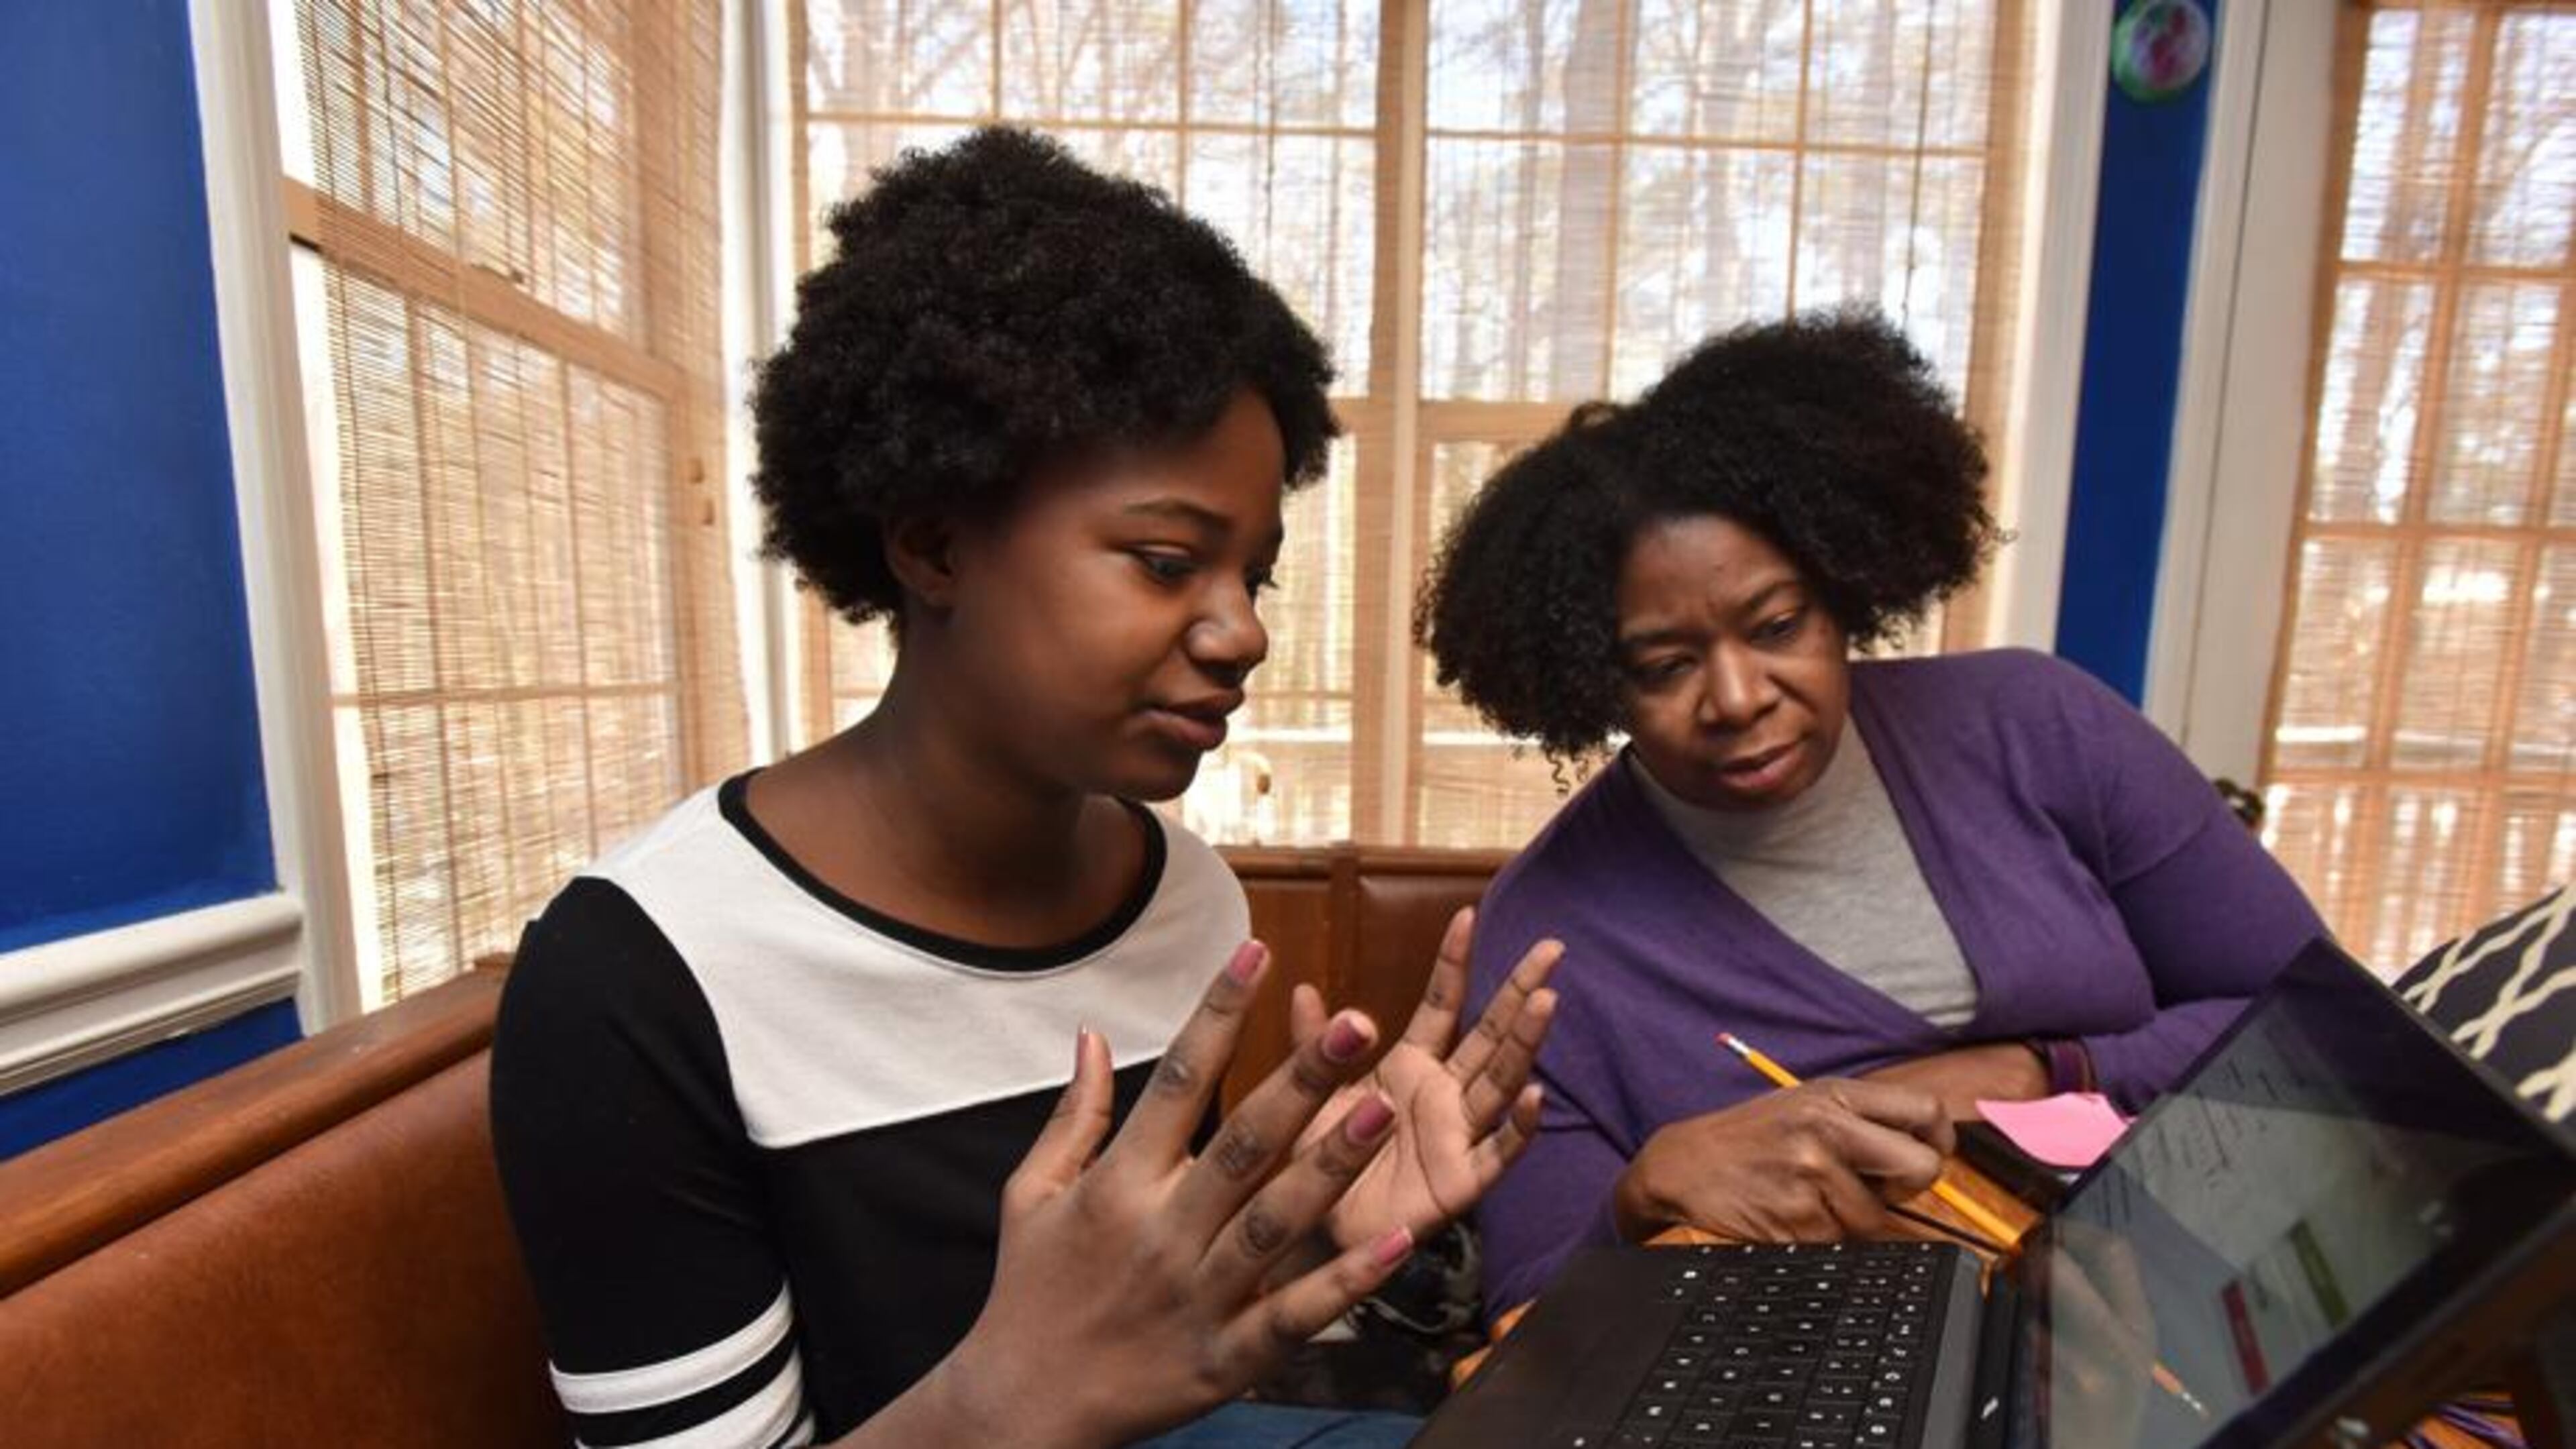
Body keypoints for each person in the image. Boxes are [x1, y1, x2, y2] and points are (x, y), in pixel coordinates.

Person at [488, 128, 1562, 1449]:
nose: (1244, 633)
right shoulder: (640, 980)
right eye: (1169, 561)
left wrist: (1333, 1242)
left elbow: (1158, 1367)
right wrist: (1007, 1397)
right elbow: (1070, 1376)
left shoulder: (1182, 892)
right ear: (935, 544)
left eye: (1256, 576)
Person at [1415, 310, 2325, 1316]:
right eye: (1665, 667)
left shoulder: (2039, 725)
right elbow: (1532, 1317)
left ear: (1846, 586)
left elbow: (2319, 1022)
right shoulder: (1548, 941)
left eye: (1777, 625)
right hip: (1835, 1365)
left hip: (2211, 1290)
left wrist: (2042, 1070)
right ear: (1590, 683)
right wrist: (1639, 1199)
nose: (1737, 696)